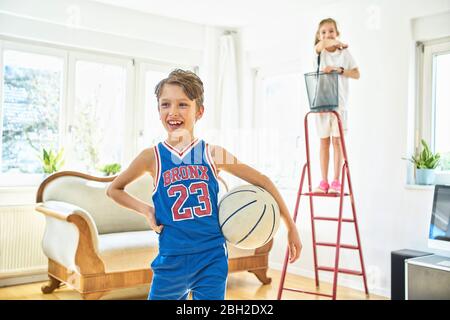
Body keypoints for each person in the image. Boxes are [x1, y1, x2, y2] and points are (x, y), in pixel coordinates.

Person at [106, 69, 302, 300]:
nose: (173, 112)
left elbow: (264, 181)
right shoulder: (151, 157)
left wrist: (291, 227)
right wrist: (147, 211)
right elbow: (114, 190)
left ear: (199, 111)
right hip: (172, 258)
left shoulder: (213, 154)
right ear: (158, 110)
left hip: (212, 257)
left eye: (183, 105)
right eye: (165, 104)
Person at [313, 18, 360, 194]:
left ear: (337, 32)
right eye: (323, 32)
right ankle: (323, 181)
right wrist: (337, 42)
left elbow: (356, 74)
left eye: (331, 31)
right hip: (322, 105)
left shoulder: (344, 54)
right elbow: (322, 44)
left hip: (339, 106)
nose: (327, 34)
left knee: (337, 142)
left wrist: (338, 70)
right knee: (324, 142)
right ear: (319, 35)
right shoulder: (319, 51)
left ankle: (336, 181)